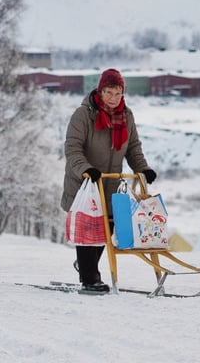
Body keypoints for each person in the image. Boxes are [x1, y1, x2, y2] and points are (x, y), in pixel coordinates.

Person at [61, 67, 157, 293]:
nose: (113, 99)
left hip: (111, 183)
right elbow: (72, 149)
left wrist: (143, 168)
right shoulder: (83, 115)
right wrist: (86, 169)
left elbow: (133, 147)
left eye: (118, 94)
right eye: (109, 93)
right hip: (86, 182)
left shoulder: (126, 116)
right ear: (100, 91)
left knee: (106, 228)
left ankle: (86, 265)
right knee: (89, 228)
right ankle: (90, 277)